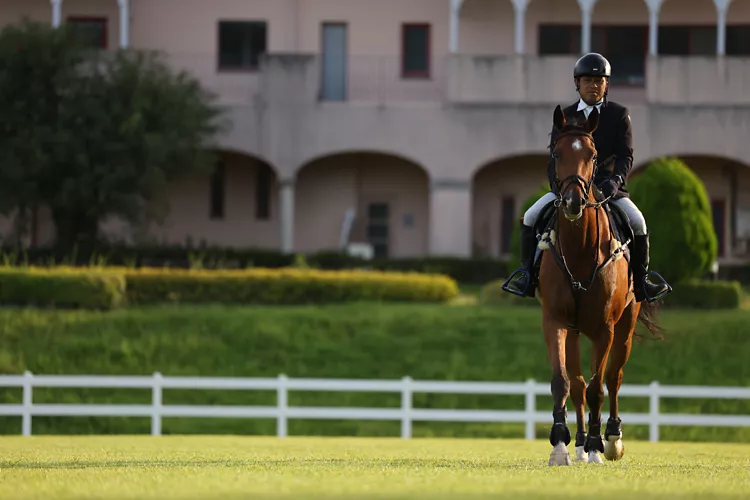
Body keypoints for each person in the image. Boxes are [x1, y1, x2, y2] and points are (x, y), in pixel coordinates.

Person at [503, 52, 672, 304]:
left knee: (638, 223)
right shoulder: (565, 115)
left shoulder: (619, 114)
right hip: (568, 188)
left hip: (609, 190)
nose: (593, 85)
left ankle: (642, 282)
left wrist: (614, 182)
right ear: (577, 83)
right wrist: (558, 188)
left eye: (599, 80)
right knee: (530, 217)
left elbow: (626, 156)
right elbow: (554, 159)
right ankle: (527, 275)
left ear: (606, 84)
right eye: (587, 80)